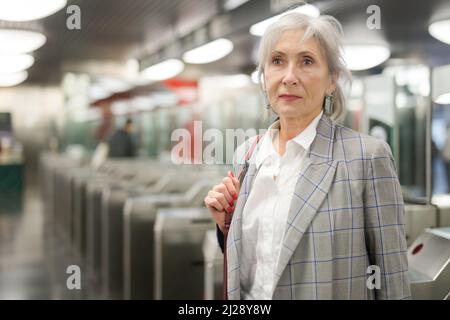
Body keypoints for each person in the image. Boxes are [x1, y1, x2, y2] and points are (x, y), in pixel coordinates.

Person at [204, 12, 410, 300]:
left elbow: (392, 277)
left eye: (307, 61)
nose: (289, 77)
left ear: (332, 80)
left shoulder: (366, 158)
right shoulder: (248, 154)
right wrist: (225, 225)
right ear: (264, 77)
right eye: (277, 61)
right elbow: (260, 264)